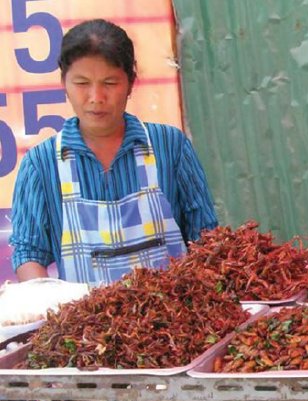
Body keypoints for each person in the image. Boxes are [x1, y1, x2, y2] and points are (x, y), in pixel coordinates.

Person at [10, 19, 217, 286]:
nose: (96, 97)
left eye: (110, 82)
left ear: (130, 84)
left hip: (174, 320)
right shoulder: (41, 163)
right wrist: (45, 305)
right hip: (84, 325)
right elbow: (29, 254)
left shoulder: (170, 145)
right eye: (82, 83)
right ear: (64, 83)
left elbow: (206, 236)